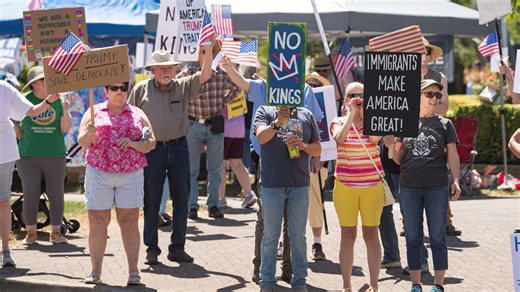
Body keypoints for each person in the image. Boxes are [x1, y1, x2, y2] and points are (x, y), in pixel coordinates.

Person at [219, 56, 324, 286]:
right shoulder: (265, 87)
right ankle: (262, 273)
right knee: (266, 224)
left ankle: (290, 272)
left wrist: (315, 155)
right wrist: (228, 67)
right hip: (268, 166)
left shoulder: (305, 90)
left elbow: (317, 126)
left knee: (295, 230)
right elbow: (243, 83)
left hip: (299, 170)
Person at [128, 42, 214, 265]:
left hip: (179, 147)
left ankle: (177, 248)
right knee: (152, 201)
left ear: (175, 69)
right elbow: (130, 119)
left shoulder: (182, 86)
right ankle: (151, 249)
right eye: (161, 68)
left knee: (182, 199)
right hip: (152, 150)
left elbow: (205, 75)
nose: (166, 71)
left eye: (169, 67)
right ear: (153, 70)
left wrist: (206, 49)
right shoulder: (140, 90)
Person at [78, 82, 156, 285]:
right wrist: (89, 134)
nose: (119, 91)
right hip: (99, 171)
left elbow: (151, 143)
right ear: (105, 91)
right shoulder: (94, 111)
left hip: (130, 173)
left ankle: (133, 272)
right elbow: (82, 142)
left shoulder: (138, 113)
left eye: (123, 87)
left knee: (129, 221)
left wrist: (133, 144)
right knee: (97, 220)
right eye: (114, 87)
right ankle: (95, 272)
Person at [387, 79, 461, 292]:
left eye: (438, 95)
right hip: (409, 187)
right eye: (429, 94)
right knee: (413, 236)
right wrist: (392, 147)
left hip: (436, 188)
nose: (435, 99)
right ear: (417, 96)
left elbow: (453, 156)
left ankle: (438, 285)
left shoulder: (445, 124)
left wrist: (455, 180)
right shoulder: (404, 122)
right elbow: (398, 160)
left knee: (437, 236)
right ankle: (416, 284)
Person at [254, 103, 321, 291]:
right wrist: (278, 122)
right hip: (272, 184)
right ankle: (267, 281)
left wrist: (303, 146)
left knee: (298, 236)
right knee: (270, 236)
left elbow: (317, 149)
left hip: (299, 184)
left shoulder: (306, 113)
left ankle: (299, 281)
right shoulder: (264, 111)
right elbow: (261, 137)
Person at [330, 82, 384, 291]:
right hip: (345, 186)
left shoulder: (376, 120)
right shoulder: (338, 121)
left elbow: (373, 139)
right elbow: (339, 140)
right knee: (348, 235)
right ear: (345, 99)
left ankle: (374, 284)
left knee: (371, 234)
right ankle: (346, 285)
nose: (358, 98)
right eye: (353, 95)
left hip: (371, 186)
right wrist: (351, 115)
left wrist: (365, 114)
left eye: (362, 95)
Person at [0, 80, 60, 267]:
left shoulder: (4, 87)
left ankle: (6, 252)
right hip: (7, 150)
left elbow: (32, 111)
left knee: (3, 201)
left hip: (4, 152)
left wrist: (50, 100)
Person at [187, 42, 243, 219]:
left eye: (211, 52)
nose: (207, 55)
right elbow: (175, 87)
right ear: (198, 56)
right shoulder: (189, 73)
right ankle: (192, 206)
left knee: (215, 168)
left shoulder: (221, 74)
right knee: (191, 169)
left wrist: (223, 103)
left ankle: (213, 205)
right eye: (204, 52)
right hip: (193, 123)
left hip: (214, 124)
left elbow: (238, 86)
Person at [16, 66, 71, 245]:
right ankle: (30, 233)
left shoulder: (58, 99)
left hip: (55, 153)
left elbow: (65, 128)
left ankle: (56, 232)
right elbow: (15, 121)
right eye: (43, 80)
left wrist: (66, 110)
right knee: (30, 193)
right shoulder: (24, 100)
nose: (47, 83)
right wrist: (19, 133)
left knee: (56, 193)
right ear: (33, 84)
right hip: (28, 155)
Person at [304, 73, 332, 261]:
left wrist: (321, 156)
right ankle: (285, 242)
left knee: (315, 203)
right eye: (309, 84)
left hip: (317, 161)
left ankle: (317, 242)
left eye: (316, 84)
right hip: (295, 160)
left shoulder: (326, 105)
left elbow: (328, 134)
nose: (312, 88)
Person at [218, 103, 257, 208]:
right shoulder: (239, 88)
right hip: (239, 128)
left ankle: (220, 198)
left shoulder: (224, 87)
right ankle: (249, 194)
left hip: (224, 128)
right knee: (237, 163)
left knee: (220, 165)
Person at [379, 143, 402, 269]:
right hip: (384, 166)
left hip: (405, 166)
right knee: (383, 211)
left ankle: (420, 259)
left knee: (410, 213)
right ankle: (391, 255)